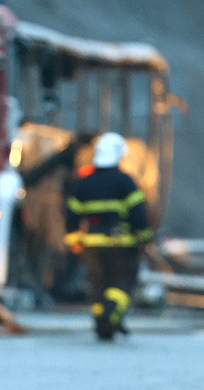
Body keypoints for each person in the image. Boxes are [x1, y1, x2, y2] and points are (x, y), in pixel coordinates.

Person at [65, 132, 153, 340]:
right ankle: (110, 313)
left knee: (98, 284)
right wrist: (145, 237)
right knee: (123, 282)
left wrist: (73, 240)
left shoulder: (83, 183)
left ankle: (101, 322)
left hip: (92, 245)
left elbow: (72, 214)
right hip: (121, 244)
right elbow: (138, 214)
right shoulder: (125, 182)